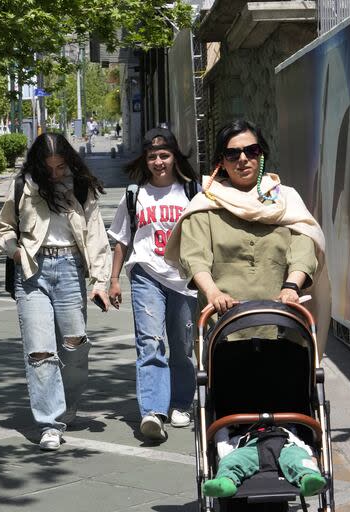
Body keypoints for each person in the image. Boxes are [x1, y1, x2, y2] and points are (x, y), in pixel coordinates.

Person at [163, 119, 329, 351]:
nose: (243, 159)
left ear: (261, 154)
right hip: (224, 324)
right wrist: (213, 293)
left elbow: (303, 248)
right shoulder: (204, 205)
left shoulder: (286, 199)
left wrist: (291, 287)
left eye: (251, 151)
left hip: (283, 323)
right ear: (221, 161)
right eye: (232, 154)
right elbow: (194, 256)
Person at [0, 132, 112, 451]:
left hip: (71, 268)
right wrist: (15, 253)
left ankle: (67, 401)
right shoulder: (24, 184)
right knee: (40, 352)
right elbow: (5, 226)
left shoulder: (81, 185)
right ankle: (50, 422)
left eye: (61, 166)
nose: (56, 173)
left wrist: (100, 281)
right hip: (32, 272)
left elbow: (97, 236)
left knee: (75, 345)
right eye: (49, 168)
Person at [107, 128, 199, 442]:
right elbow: (121, 239)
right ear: (145, 161)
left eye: (164, 155)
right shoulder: (135, 194)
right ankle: (153, 410)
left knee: (183, 347)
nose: (158, 162)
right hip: (146, 275)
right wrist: (114, 280)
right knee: (150, 343)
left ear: (175, 158)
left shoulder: (192, 192)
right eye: (152, 157)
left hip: (184, 280)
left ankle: (181, 402)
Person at [203, 424, 326, 498]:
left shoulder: (284, 429)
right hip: (250, 448)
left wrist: (310, 455)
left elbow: (300, 444)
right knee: (233, 460)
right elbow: (224, 449)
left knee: (297, 457)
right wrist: (222, 427)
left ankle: (308, 478)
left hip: (284, 444)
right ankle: (226, 482)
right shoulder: (239, 437)